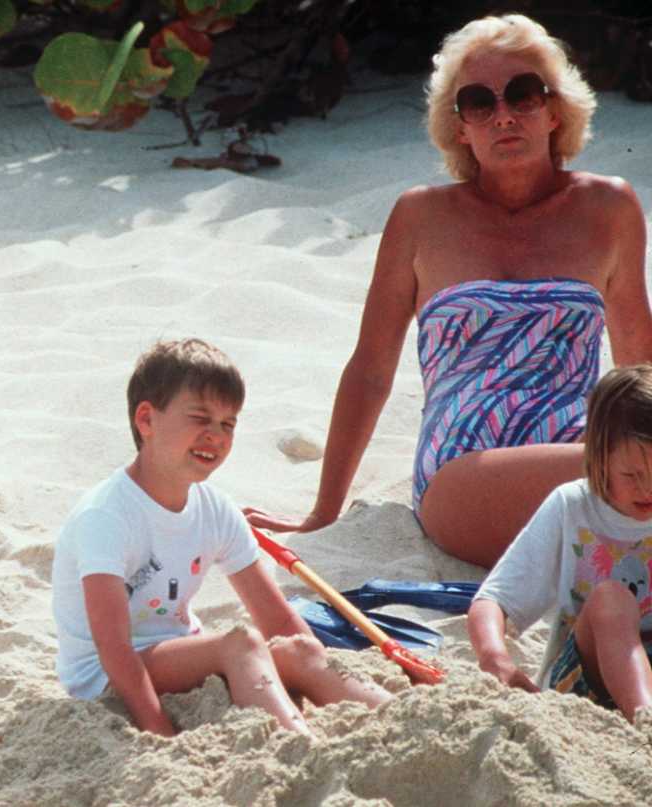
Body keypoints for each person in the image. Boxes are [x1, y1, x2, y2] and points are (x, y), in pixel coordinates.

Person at [245, 13, 652, 567]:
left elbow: (639, 368)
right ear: (459, 126)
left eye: (524, 94)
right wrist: (323, 511)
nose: (504, 115)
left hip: (592, 452)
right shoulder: (421, 215)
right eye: (479, 103)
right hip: (466, 471)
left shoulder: (610, 207)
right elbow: (370, 369)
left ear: (556, 109)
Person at [51, 339, 389, 736]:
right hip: (105, 674)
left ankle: (401, 717)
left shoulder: (215, 508)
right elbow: (113, 647)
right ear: (146, 420)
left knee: (296, 646)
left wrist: (305, 659)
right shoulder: (106, 515)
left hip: (182, 652)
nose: (216, 435)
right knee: (242, 642)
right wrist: (158, 729)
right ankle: (297, 745)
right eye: (200, 418)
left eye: (228, 424)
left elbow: (278, 618)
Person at [468, 365, 652, 723]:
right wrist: (494, 656)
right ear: (599, 459)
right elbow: (494, 599)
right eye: (632, 475)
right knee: (612, 600)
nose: (648, 489)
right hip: (584, 687)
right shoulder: (573, 507)